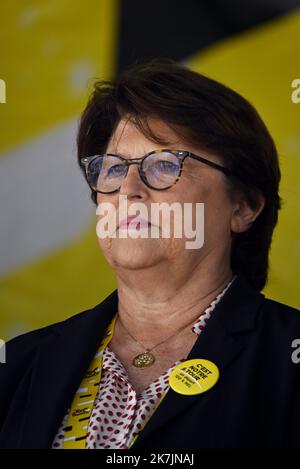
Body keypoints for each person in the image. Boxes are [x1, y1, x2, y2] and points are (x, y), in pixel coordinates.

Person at [0, 58, 299, 449]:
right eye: (112, 168)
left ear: (242, 207)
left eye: (163, 165)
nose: (128, 189)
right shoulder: (20, 364)